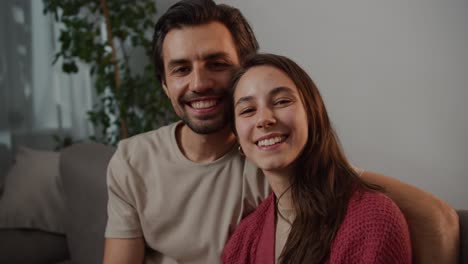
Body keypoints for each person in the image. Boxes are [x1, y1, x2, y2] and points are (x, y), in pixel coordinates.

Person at [103, 1, 459, 263]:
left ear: (245, 70)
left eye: (217, 64)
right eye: (181, 69)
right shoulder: (132, 161)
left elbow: (432, 217)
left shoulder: (280, 162)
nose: (199, 82)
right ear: (165, 85)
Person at [223, 53, 412, 264]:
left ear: (313, 114)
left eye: (282, 101)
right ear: (236, 134)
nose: (264, 119)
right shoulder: (243, 241)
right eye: (248, 110)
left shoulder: (374, 220)